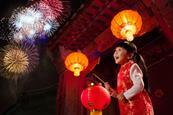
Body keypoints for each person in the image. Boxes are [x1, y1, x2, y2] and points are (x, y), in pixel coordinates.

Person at [104, 41, 154, 115]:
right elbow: (122, 95)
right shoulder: (120, 72)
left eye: (119, 50)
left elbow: (139, 85)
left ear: (129, 55)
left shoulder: (132, 66)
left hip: (138, 108)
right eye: (115, 50)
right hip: (127, 109)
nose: (115, 53)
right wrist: (113, 92)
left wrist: (125, 95)